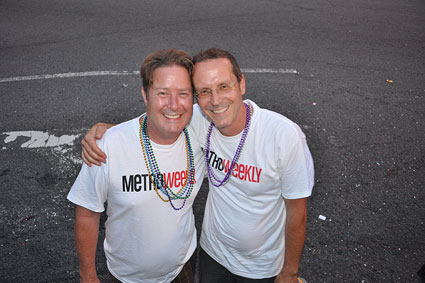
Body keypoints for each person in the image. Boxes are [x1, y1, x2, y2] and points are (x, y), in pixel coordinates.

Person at [82, 48, 314, 283]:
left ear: (241, 84)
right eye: (204, 91)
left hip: (262, 267)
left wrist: (289, 271)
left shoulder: (284, 136)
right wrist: (112, 132)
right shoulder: (199, 120)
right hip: (212, 254)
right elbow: (160, 117)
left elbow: (298, 211)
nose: (215, 100)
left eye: (224, 86)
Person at [68, 49, 206, 283]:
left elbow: (235, 115)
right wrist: (88, 276)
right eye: (162, 93)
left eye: (183, 94)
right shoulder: (108, 146)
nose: (174, 105)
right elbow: (87, 213)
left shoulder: (201, 131)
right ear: (145, 95)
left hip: (182, 268)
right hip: (125, 277)